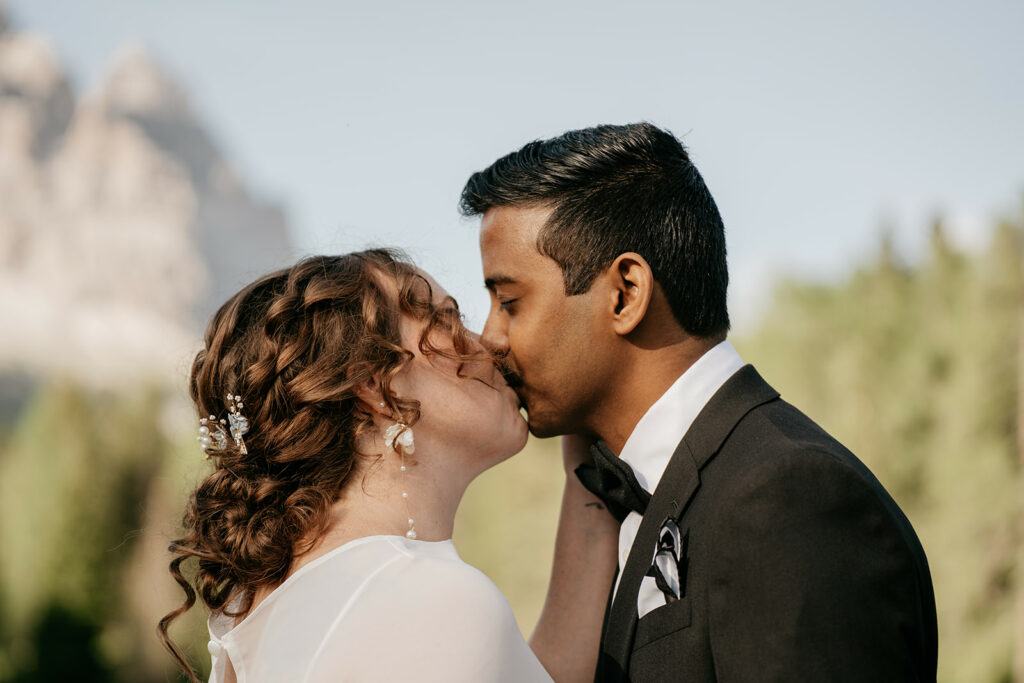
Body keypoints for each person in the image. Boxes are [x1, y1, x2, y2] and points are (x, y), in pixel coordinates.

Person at [460, 122, 939, 682]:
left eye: (510, 301)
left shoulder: (786, 494)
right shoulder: (650, 491)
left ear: (625, 294)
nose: (489, 337)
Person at [157, 249, 619, 682]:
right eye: (447, 319)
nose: (491, 344)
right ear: (374, 385)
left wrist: (590, 428)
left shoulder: (282, 602)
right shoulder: (433, 601)